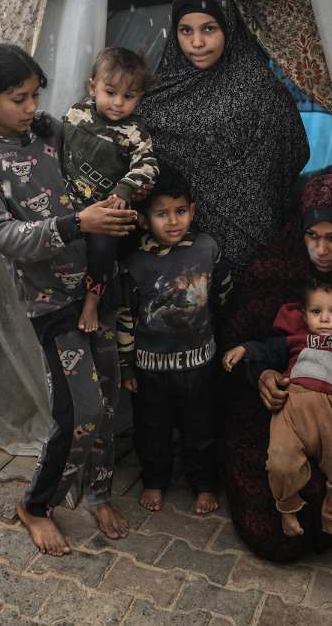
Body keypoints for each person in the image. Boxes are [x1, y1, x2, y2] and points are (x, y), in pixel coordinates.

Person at [0, 43, 139, 557]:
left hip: (99, 284)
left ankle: (98, 491)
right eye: (19, 98)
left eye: (36, 95)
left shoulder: (51, 132)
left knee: (107, 401)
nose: (32, 107)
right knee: (77, 410)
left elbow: (100, 162)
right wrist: (80, 222)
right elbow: (7, 237)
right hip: (51, 300)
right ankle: (36, 505)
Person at [223, 171, 332, 562]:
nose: (321, 251)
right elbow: (237, 346)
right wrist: (261, 375)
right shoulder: (271, 269)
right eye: (313, 237)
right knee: (272, 521)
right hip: (276, 410)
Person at [134, 0, 308, 274]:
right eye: (185, 31)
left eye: (209, 29)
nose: (197, 43)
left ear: (228, 27)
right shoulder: (157, 93)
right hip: (184, 245)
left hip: (255, 237)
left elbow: (293, 150)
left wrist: (244, 183)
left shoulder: (259, 86)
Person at [223, 278, 332, 552]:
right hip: (291, 409)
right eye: (315, 312)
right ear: (304, 315)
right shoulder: (299, 340)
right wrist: (244, 348)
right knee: (280, 463)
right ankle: (287, 508)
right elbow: (266, 349)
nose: (324, 319)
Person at [115, 167, 232, 516]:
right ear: (144, 218)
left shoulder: (207, 249)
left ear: (192, 211)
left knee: (201, 428)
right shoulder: (135, 262)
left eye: (180, 211)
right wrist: (126, 365)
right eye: (161, 214)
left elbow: (222, 294)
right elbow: (125, 316)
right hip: (150, 369)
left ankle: (204, 484)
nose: (172, 221)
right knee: (153, 429)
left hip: (199, 364)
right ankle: (154, 480)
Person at [60, 47, 159, 334]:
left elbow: (149, 165)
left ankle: (92, 301)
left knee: (103, 250)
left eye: (128, 96)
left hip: (105, 211)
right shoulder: (76, 113)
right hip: (68, 201)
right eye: (110, 92)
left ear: (139, 97)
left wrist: (126, 188)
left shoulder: (135, 132)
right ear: (93, 86)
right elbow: (57, 145)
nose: (118, 103)